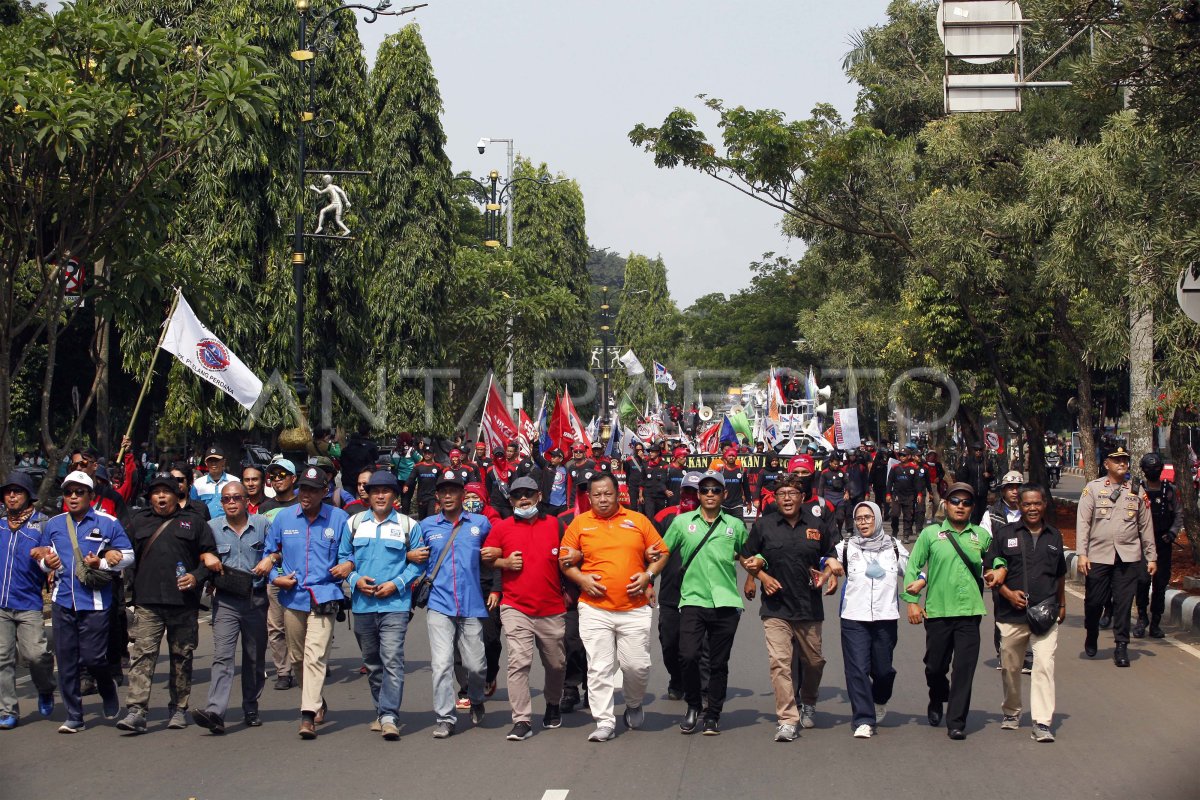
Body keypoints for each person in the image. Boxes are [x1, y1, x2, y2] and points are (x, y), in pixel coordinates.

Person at [559, 472, 667, 742]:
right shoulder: (579, 524)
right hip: (595, 609)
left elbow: (661, 552)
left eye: (608, 493)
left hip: (635, 608)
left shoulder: (638, 520)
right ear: (589, 497)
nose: (603, 499)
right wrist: (581, 578)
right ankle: (604, 721)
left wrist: (648, 576)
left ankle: (633, 702)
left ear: (617, 493)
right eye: (597, 495)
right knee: (599, 667)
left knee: (636, 666)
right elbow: (564, 560)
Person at [740, 472, 842, 741]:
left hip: (809, 607)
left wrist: (830, 575)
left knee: (814, 662)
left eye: (792, 494)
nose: (787, 499)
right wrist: (758, 578)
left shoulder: (816, 525)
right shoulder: (764, 525)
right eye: (782, 494)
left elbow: (830, 556)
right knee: (780, 663)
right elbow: (747, 556)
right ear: (775, 498)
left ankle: (808, 700)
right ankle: (787, 718)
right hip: (776, 608)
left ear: (802, 498)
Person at [116, 471, 217, 733]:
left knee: (181, 656)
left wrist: (196, 578)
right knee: (142, 656)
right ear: (150, 496)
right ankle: (136, 711)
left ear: (177, 495)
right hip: (147, 602)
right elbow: (123, 555)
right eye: (156, 492)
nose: (161, 496)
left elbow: (209, 558)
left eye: (167, 491)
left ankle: (178, 708)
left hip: (183, 603)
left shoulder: (194, 523)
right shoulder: (138, 521)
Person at [255, 466, 351, 739]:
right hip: (292, 597)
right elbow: (270, 553)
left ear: (324, 492)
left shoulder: (339, 519)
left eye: (313, 490)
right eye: (303, 489)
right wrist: (276, 577)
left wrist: (347, 565)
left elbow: (349, 554)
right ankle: (316, 698)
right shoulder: (284, 519)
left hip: (325, 596)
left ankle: (307, 715)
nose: (306, 495)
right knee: (297, 658)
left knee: (316, 656)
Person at [36, 470, 134, 733]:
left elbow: (128, 555)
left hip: (96, 603)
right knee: (66, 662)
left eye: (80, 492)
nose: (73, 497)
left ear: (91, 495)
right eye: (69, 492)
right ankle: (75, 716)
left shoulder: (108, 522)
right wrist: (47, 563)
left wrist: (102, 561)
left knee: (93, 658)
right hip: (62, 602)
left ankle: (106, 687)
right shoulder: (54, 524)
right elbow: (43, 559)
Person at [900, 482, 994, 740]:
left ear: (972, 507)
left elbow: (996, 559)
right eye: (955, 501)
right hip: (938, 612)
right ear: (946, 504)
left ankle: (956, 721)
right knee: (934, 666)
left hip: (969, 612)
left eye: (966, 502)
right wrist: (911, 600)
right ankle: (936, 697)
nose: (960, 506)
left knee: (964, 669)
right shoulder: (931, 534)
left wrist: (997, 570)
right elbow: (913, 566)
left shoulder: (981, 536)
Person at [336, 470, 423, 741]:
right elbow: (343, 557)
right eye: (375, 491)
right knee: (372, 663)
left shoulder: (409, 526)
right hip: (362, 605)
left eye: (386, 491)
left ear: (395, 496)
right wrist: (354, 579)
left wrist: (396, 584)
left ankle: (389, 716)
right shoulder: (353, 524)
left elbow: (419, 563)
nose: (381, 495)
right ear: (368, 495)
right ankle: (381, 710)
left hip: (395, 605)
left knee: (392, 659)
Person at [661, 471, 748, 736]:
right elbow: (662, 553)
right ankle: (693, 705)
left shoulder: (735, 525)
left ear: (724, 494)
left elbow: (750, 554)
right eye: (705, 490)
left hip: (725, 602)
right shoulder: (680, 523)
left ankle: (713, 715)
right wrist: (646, 577)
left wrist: (756, 574)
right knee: (687, 655)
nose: (710, 494)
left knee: (718, 663)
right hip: (692, 600)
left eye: (715, 490)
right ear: (698, 495)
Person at [481, 476, 568, 741]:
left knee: (556, 663)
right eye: (517, 495)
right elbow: (486, 557)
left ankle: (553, 703)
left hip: (552, 607)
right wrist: (504, 563)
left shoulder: (555, 525)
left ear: (538, 496)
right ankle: (522, 719)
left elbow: (569, 557)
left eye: (528, 493)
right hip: (515, 606)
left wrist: (571, 589)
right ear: (510, 500)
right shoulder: (502, 528)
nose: (523, 498)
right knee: (519, 662)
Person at [408, 473, 492, 739]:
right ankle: (445, 717)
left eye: (452, 491)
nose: (447, 496)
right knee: (442, 664)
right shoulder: (426, 526)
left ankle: (476, 698)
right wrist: (409, 555)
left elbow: (494, 556)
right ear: (437, 496)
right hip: (439, 604)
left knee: (476, 665)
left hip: (471, 603)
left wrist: (498, 588)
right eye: (442, 491)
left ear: (462, 495)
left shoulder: (481, 523)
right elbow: (414, 558)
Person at [986, 485, 1066, 743]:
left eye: (1037, 503)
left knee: (1044, 666)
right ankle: (1011, 711)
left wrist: (1061, 605)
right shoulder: (1004, 534)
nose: (1032, 508)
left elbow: (1060, 574)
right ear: (1019, 506)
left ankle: (1042, 722)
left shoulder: (1054, 535)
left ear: (1044, 505)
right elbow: (990, 571)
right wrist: (1008, 594)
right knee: (1010, 668)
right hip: (1011, 615)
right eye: (1027, 504)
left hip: (1045, 614)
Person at [192, 481, 271, 734]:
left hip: (256, 599)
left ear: (247, 499)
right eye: (226, 499)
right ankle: (215, 711)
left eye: (237, 497)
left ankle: (251, 705)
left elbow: (278, 550)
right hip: (225, 601)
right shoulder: (212, 528)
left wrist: (271, 558)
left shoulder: (262, 525)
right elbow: (198, 553)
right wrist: (206, 556)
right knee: (223, 657)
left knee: (254, 657)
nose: (232, 502)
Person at [1077, 447, 1156, 667]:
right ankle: (1091, 632)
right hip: (1099, 555)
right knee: (1094, 601)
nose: (1122, 463)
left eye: (1125, 460)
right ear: (1107, 464)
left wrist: (1151, 557)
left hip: (1128, 556)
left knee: (1123, 603)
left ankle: (1121, 646)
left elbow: (1145, 525)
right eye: (1117, 460)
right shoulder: (1092, 489)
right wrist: (1082, 554)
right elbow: (1083, 523)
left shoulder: (1137, 490)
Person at [837, 500, 908, 738]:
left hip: (886, 617)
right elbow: (826, 560)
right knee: (856, 669)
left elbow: (913, 571)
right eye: (859, 518)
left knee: (883, 670)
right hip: (853, 617)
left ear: (877, 519)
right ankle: (863, 720)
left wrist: (919, 585)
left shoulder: (894, 547)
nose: (863, 522)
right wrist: (827, 568)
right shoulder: (847, 546)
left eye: (868, 517)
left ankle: (880, 698)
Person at [0, 472, 56, 728]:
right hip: (1, 604)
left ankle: (45, 688)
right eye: (8, 491)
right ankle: (8, 710)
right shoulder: (0, 523)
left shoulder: (42, 524)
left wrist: (46, 556)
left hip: (30, 603)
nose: (12, 496)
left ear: (28, 496)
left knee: (36, 655)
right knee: (2, 659)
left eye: (17, 491)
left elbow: (50, 560)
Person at [653, 472, 703, 700]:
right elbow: (651, 554)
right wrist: (648, 583)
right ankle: (677, 677)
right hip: (670, 594)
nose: (691, 496)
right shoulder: (664, 517)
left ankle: (701, 685)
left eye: (696, 492)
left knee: (699, 646)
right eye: (687, 491)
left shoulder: (712, 518)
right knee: (669, 642)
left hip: (702, 594)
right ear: (680, 491)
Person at [258, 458, 298, 691]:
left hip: (299, 574)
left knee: (298, 624)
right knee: (275, 626)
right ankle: (283, 671)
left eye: (282, 475)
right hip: (274, 575)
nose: (277, 480)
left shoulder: (303, 503)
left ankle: (303, 663)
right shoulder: (265, 508)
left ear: (293, 478)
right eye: (273, 476)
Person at [1135, 453, 1181, 639]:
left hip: (1163, 543)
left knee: (1160, 583)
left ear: (1161, 469)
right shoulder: (1137, 491)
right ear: (1143, 470)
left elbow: (1178, 514)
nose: (1152, 471)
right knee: (1142, 580)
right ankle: (1141, 618)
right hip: (1142, 545)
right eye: (1148, 468)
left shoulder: (1169, 490)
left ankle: (1155, 622)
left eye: (1156, 468)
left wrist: (1172, 532)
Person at [886, 444, 927, 542]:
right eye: (900, 455)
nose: (902, 457)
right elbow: (890, 481)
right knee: (895, 514)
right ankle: (895, 531)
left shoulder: (914, 468)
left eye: (904, 455)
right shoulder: (895, 468)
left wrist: (920, 494)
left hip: (909, 496)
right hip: (897, 495)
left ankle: (906, 535)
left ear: (909, 456)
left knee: (908, 516)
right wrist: (888, 494)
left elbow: (917, 483)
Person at [191, 446, 236, 518]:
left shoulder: (234, 482)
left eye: (217, 460)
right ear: (206, 463)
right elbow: (192, 509)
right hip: (206, 527)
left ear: (223, 462)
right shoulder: (198, 484)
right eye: (210, 461)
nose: (213, 463)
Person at [956, 444, 993, 525]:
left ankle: (981, 528)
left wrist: (988, 475)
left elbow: (993, 476)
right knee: (974, 512)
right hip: (972, 491)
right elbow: (963, 476)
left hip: (983, 491)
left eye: (980, 450)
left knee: (982, 512)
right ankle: (973, 528)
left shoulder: (987, 462)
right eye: (976, 450)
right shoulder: (969, 462)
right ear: (974, 451)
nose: (978, 452)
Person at [817, 453, 851, 533]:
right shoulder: (824, 473)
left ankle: (839, 531)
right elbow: (821, 487)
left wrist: (847, 492)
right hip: (828, 497)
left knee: (840, 517)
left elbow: (847, 483)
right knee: (829, 517)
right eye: (835, 464)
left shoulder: (842, 471)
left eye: (838, 464)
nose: (836, 466)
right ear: (830, 463)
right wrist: (820, 500)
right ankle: (830, 532)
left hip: (840, 497)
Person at [339, 424, 379, 494]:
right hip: (363, 478)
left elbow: (342, 464)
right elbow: (374, 460)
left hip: (348, 480)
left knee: (349, 501)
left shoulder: (345, 451)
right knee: (364, 500)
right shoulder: (367, 448)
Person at [406, 446, 442, 520]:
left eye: (429, 453)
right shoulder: (418, 466)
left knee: (431, 518)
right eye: (426, 453)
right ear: (423, 454)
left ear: (433, 454)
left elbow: (441, 482)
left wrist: (439, 497)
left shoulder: (438, 467)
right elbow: (411, 478)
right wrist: (406, 485)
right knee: (422, 519)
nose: (427, 455)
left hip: (432, 497)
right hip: (421, 497)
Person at [639, 443, 670, 521]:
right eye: (650, 451)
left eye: (653, 451)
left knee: (659, 518)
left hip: (660, 496)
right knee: (650, 517)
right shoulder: (645, 464)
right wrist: (640, 495)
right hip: (649, 496)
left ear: (658, 452)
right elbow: (642, 480)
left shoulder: (665, 465)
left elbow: (667, 480)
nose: (650, 453)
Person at [717, 447, 748, 517]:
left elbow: (746, 488)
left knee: (740, 526)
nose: (731, 457)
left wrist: (749, 502)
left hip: (737, 505)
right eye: (729, 455)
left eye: (733, 456)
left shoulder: (741, 471)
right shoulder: (721, 471)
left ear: (736, 457)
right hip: (724, 505)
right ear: (726, 457)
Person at [540, 448, 569, 517]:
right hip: (548, 504)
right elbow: (537, 456)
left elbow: (569, 487)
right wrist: (536, 444)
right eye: (551, 456)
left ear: (561, 459)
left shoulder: (566, 471)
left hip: (562, 505)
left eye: (554, 457)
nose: (552, 458)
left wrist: (568, 503)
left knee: (560, 526)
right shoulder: (547, 467)